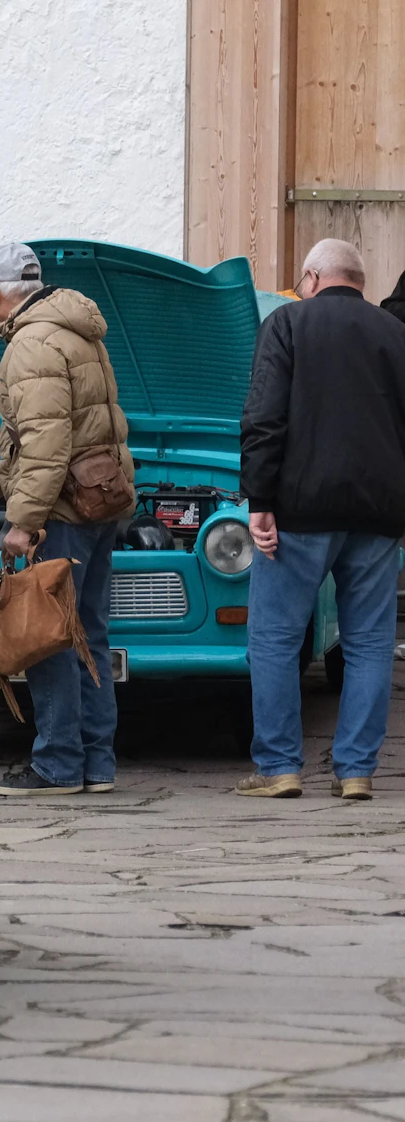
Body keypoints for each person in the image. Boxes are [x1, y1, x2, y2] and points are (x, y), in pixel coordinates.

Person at [235, 239, 405, 800]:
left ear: (310, 278)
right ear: (360, 280)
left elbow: (263, 417)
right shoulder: (396, 333)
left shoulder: (286, 324)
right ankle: (356, 771)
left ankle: (278, 767)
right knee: (370, 644)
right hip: (378, 514)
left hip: (300, 511)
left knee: (275, 639)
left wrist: (259, 500)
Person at [0, 243, 136, 797]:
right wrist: (3, 473)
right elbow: (73, 428)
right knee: (89, 633)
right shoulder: (76, 330)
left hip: (60, 512)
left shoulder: (31, 344)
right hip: (98, 502)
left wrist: (23, 520)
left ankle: (58, 764)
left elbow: (46, 441)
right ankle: (97, 763)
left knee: (49, 636)